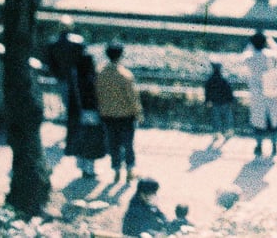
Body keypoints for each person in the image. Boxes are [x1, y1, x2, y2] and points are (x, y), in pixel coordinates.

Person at [96, 41, 144, 183]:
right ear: (121, 55)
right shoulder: (125, 75)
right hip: (125, 116)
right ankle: (130, 170)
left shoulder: (100, 73)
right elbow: (133, 97)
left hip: (107, 115)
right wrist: (139, 113)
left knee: (113, 144)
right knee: (128, 144)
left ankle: (116, 170)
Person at [242, 30, 277, 157]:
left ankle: (259, 146)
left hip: (258, 97)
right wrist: (271, 43)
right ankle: (274, 147)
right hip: (272, 96)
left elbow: (244, 55)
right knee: (274, 124)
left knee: (258, 125)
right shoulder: (272, 56)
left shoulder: (249, 58)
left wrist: (251, 44)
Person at [65, 45, 106, 178]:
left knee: (81, 140)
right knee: (92, 142)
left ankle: (82, 167)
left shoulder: (74, 76)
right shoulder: (91, 79)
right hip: (92, 113)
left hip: (78, 113)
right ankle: (89, 169)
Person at [122, 177, 191, 237]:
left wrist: (166, 222)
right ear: (142, 193)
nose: (152, 196)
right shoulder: (135, 206)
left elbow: (158, 212)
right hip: (133, 233)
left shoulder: (147, 201)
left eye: (153, 193)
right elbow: (140, 225)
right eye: (150, 194)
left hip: (146, 230)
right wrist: (156, 232)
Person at [45, 15, 84, 117]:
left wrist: (55, 73)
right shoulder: (78, 42)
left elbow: (50, 62)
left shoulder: (52, 43)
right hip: (76, 76)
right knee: (76, 101)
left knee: (65, 98)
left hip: (60, 76)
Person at [204, 61, 235, 140]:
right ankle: (228, 132)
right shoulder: (224, 79)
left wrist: (207, 101)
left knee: (216, 118)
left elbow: (207, 92)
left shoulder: (210, 80)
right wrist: (231, 101)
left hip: (215, 102)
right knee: (227, 117)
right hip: (225, 102)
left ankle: (216, 133)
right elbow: (229, 91)